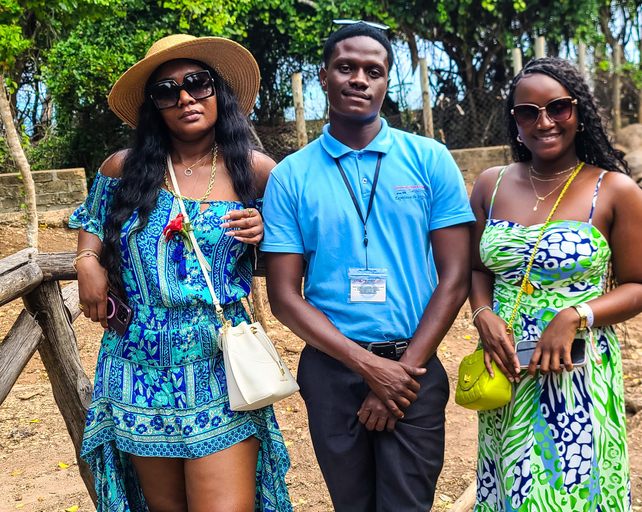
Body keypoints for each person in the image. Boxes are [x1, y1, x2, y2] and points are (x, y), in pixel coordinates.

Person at [70, 34, 292, 512]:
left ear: (218, 92)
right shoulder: (122, 170)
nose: (186, 97)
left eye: (197, 83)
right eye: (167, 91)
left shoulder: (256, 172)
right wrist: (87, 260)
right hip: (135, 366)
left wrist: (265, 231)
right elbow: (90, 220)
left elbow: (298, 250)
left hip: (217, 363)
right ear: (154, 107)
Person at [261, 22, 475, 512]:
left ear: (386, 84)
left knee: (406, 505)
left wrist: (400, 372)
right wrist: (368, 367)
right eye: (346, 67)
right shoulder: (291, 175)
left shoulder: (429, 159)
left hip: (414, 367)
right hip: (332, 370)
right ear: (324, 76)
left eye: (373, 71)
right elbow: (284, 297)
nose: (359, 78)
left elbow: (455, 277)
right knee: (351, 505)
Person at [468, 57, 642, 511]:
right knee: (513, 488)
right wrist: (482, 315)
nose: (544, 122)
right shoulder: (489, 186)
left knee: (574, 490)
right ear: (513, 122)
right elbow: (478, 270)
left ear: (579, 112)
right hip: (508, 368)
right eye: (527, 112)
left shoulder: (615, 190)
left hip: (577, 373)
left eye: (558, 107)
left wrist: (577, 315)